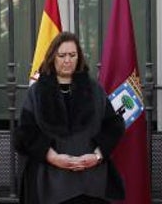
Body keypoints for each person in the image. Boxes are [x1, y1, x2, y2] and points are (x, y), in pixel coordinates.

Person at [15, 32, 126, 203]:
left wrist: (97, 156)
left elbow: (113, 126)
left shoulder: (94, 89)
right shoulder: (37, 92)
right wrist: (53, 157)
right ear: (53, 57)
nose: (67, 60)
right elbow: (26, 133)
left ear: (79, 57)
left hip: (92, 182)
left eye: (72, 55)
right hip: (49, 183)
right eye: (62, 55)